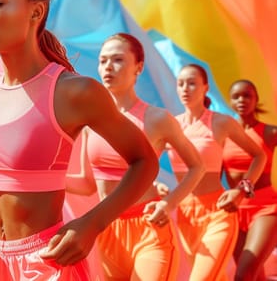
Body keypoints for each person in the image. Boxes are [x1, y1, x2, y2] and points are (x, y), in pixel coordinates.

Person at [0, 0, 160, 280]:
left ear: (36, 12)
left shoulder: (74, 92)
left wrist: (92, 223)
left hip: (47, 261)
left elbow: (144, 161)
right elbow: (3, 177)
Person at [66, 33, 205, 280]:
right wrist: (38, 180)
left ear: (138, 67)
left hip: (149, 229)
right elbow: (88, 184)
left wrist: (168, 203)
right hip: (108, 231)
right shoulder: (91, 122)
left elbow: (197, 166)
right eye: (103, 60)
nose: (108, 66)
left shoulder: (158, 119)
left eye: (118, 59)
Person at [167, 64, 267, 281]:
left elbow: (259, 156)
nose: (185, 88)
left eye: (192, 83)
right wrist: (156, 185)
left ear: (205, 87)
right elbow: (146, 161)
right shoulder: (171, 125)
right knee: (215, 276)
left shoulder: (221, 122)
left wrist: (242, 189)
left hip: (218, 211)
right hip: (184, 214)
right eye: (181, 83)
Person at [222, 79, 277, 280]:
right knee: (255, 276)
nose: (242, 100)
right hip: (235, 210)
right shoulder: (224, 133)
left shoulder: (270, 132)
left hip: (266, 208)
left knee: (244, 274)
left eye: (247, 95)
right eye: (236, 96)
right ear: (230, 101)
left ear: (256, 100)